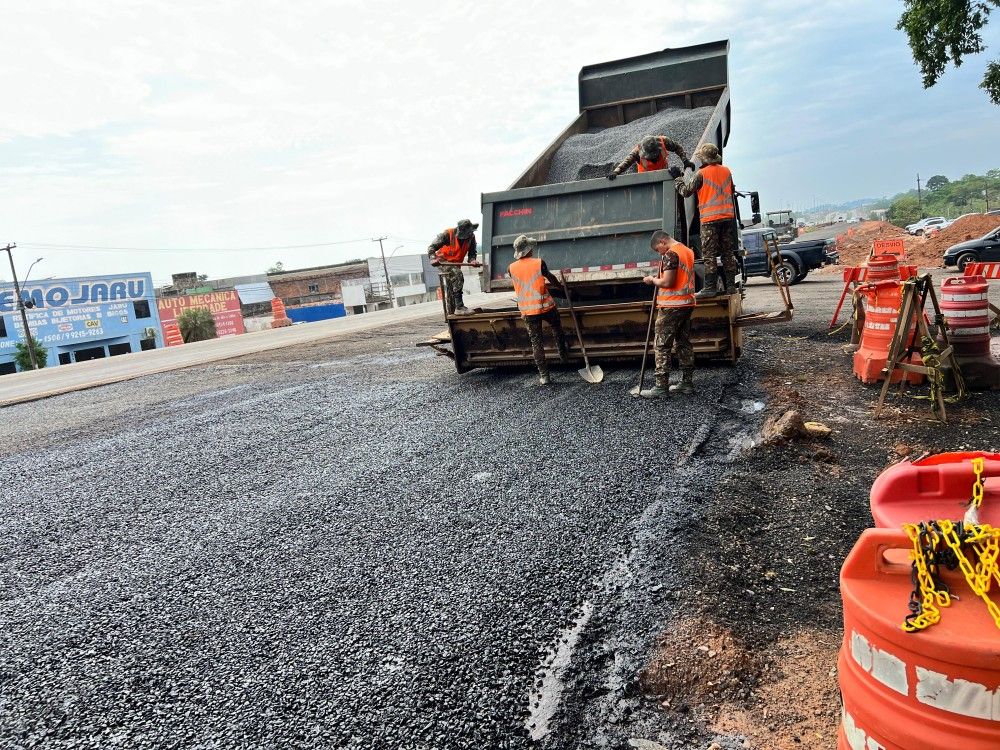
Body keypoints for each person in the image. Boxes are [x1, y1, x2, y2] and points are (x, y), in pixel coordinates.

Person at [674, 142, 739, 298]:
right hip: (727, 218)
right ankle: (731, 286)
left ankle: (710, 288)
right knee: (727, 253)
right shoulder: (727, 171)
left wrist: (677, 178)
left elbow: (685, 191)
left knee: (709, 255)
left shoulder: (701, 174)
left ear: (704, 158)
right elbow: (731, 191)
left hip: (710, 220)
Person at [638, 230, 696, 399]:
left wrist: (652, 280)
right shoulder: (687, 251)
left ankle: (660, 387)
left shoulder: (671, 254)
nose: (659, 253)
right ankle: (687, 383)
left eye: (658, 249)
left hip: (672, 305)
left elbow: (667, 282)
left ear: (663, 242)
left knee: (662, 346)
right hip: (687, 303)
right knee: (683, 343)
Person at [508, 234, 569, 385]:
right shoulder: (538, 263)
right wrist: (562, 288)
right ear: (528, 249)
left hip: (528, 312)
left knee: (536, 342)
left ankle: (544, 376)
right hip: (545, 306)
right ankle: (564, 356)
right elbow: (550, 277)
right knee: (556, 327)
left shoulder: (511, 268)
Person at [428, 219, 480, 314]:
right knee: (457, 274)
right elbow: (431, 247)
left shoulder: (471, 236)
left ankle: (452, 311)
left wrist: (473, 260)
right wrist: (432, 258)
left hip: (455, 264)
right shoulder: (448, 234)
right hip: (443, 261)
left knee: (452, 287)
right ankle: (459, 307)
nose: (465, 238)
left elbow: (472, 252)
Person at [607, 135, 695, 179]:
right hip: (646, 180)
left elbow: (677, 147)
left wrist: (685, 161)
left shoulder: (663, 141)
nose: (653, 159)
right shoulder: (637, 152)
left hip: (664, 175)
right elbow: (626, 162)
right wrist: (615, 172)